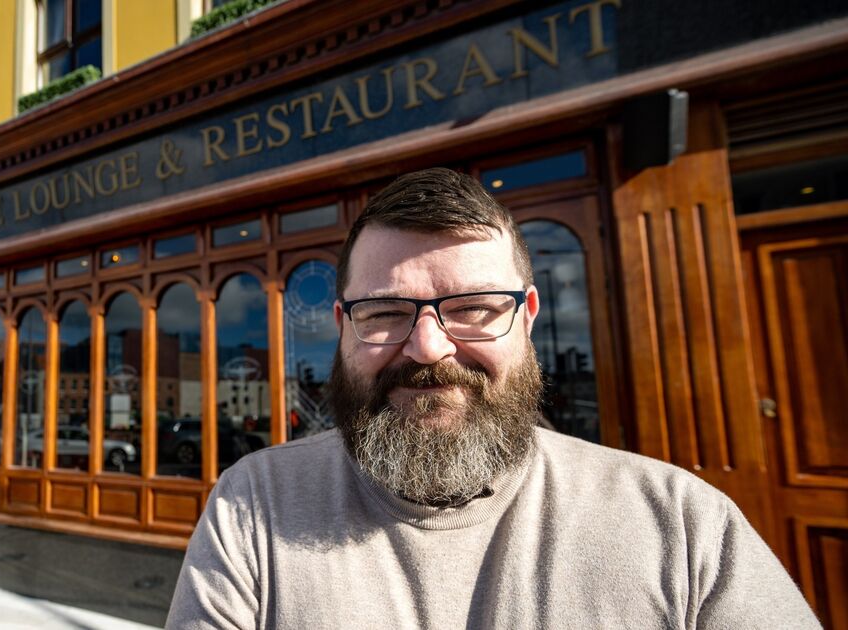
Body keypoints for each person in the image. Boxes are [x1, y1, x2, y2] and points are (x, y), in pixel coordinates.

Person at [166, 168, 818, 628]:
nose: (427, 347)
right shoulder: (254, 505)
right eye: (386, 312)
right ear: (342, 325)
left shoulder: (681, 524)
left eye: (473, 308)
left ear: (528, 316)